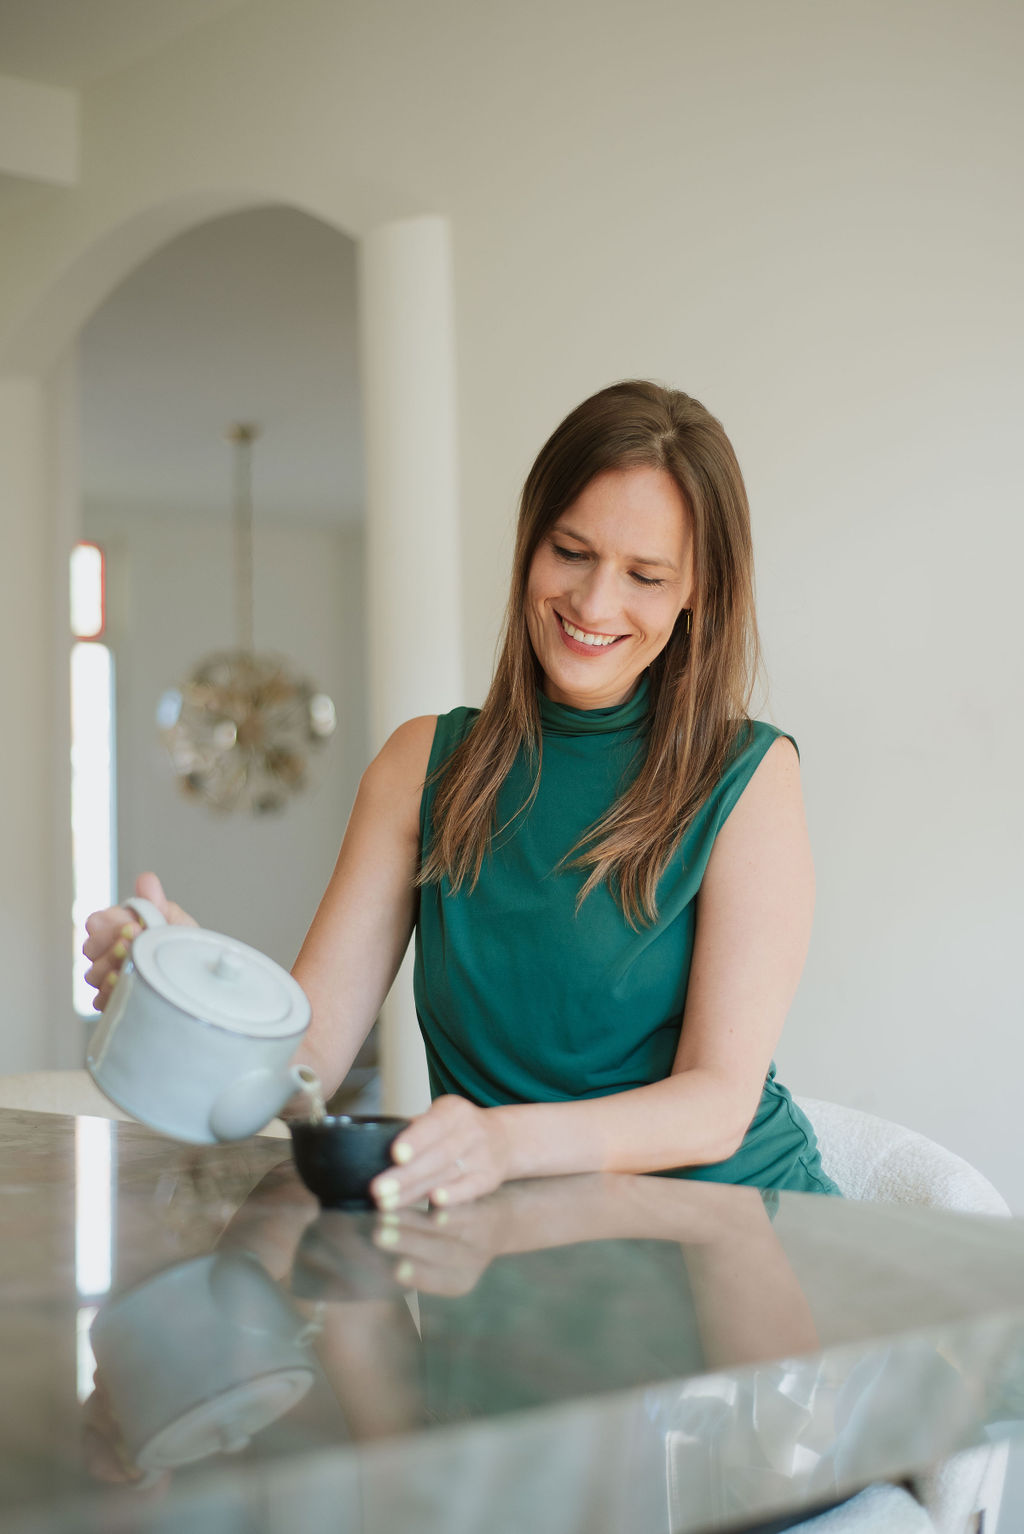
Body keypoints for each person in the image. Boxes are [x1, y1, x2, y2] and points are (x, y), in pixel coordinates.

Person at [84, 380, 839, 1207]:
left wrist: (503, 1142)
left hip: (729, 1231)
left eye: (645, 576)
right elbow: (308, 1063)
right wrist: (192, 986)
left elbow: (716, 1107)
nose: (593, 603)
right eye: (572, 551)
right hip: (511, 1247)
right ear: (529, 545)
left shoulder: (746, 775)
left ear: (697, 590)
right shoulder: (424, 765)